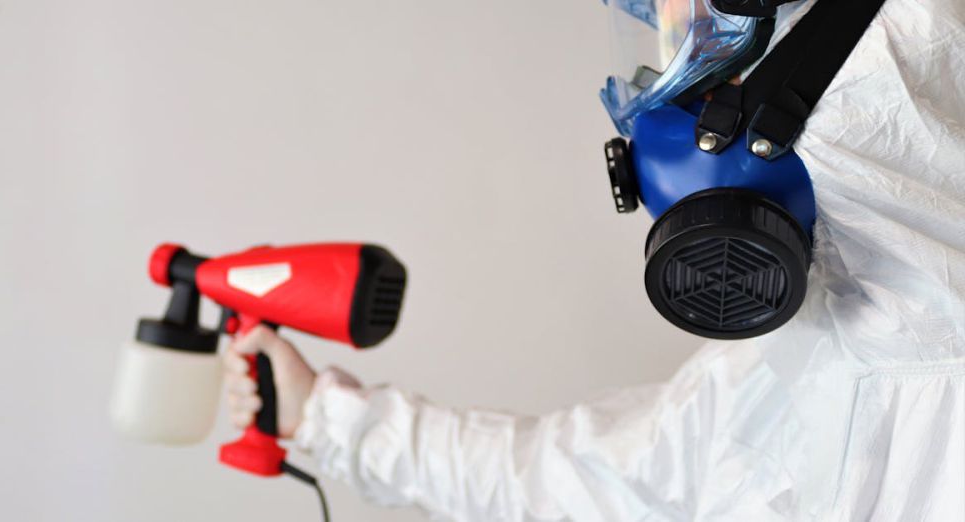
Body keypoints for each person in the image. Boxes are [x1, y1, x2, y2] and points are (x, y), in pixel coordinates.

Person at [224, 0, 965, 519]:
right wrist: (323, 414)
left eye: (724, 59)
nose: (675, 101)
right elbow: (589, 480)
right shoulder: (823, 347)